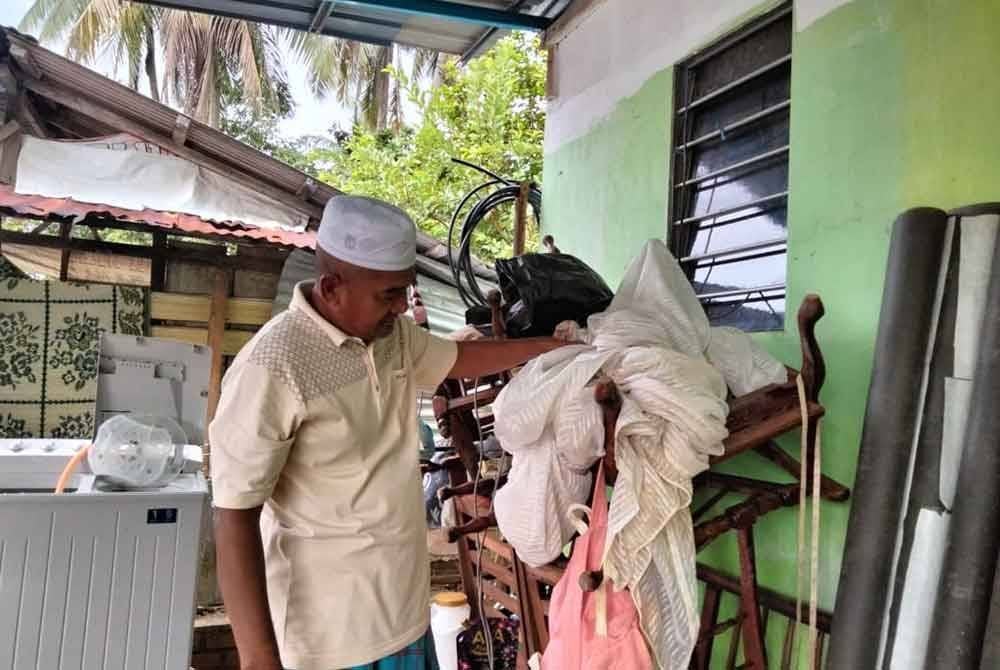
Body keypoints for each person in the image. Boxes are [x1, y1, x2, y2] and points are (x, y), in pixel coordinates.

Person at [209, 195, 567, 670]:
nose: (401, 306)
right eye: (388, 294)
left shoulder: (391, 338)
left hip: (405, 617)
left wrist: (552, 348)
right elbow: (234, 514)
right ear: (332, 287)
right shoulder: (275, 366)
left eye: (405, 291)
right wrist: (258, 660)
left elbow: (457, 359)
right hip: (329, 642)